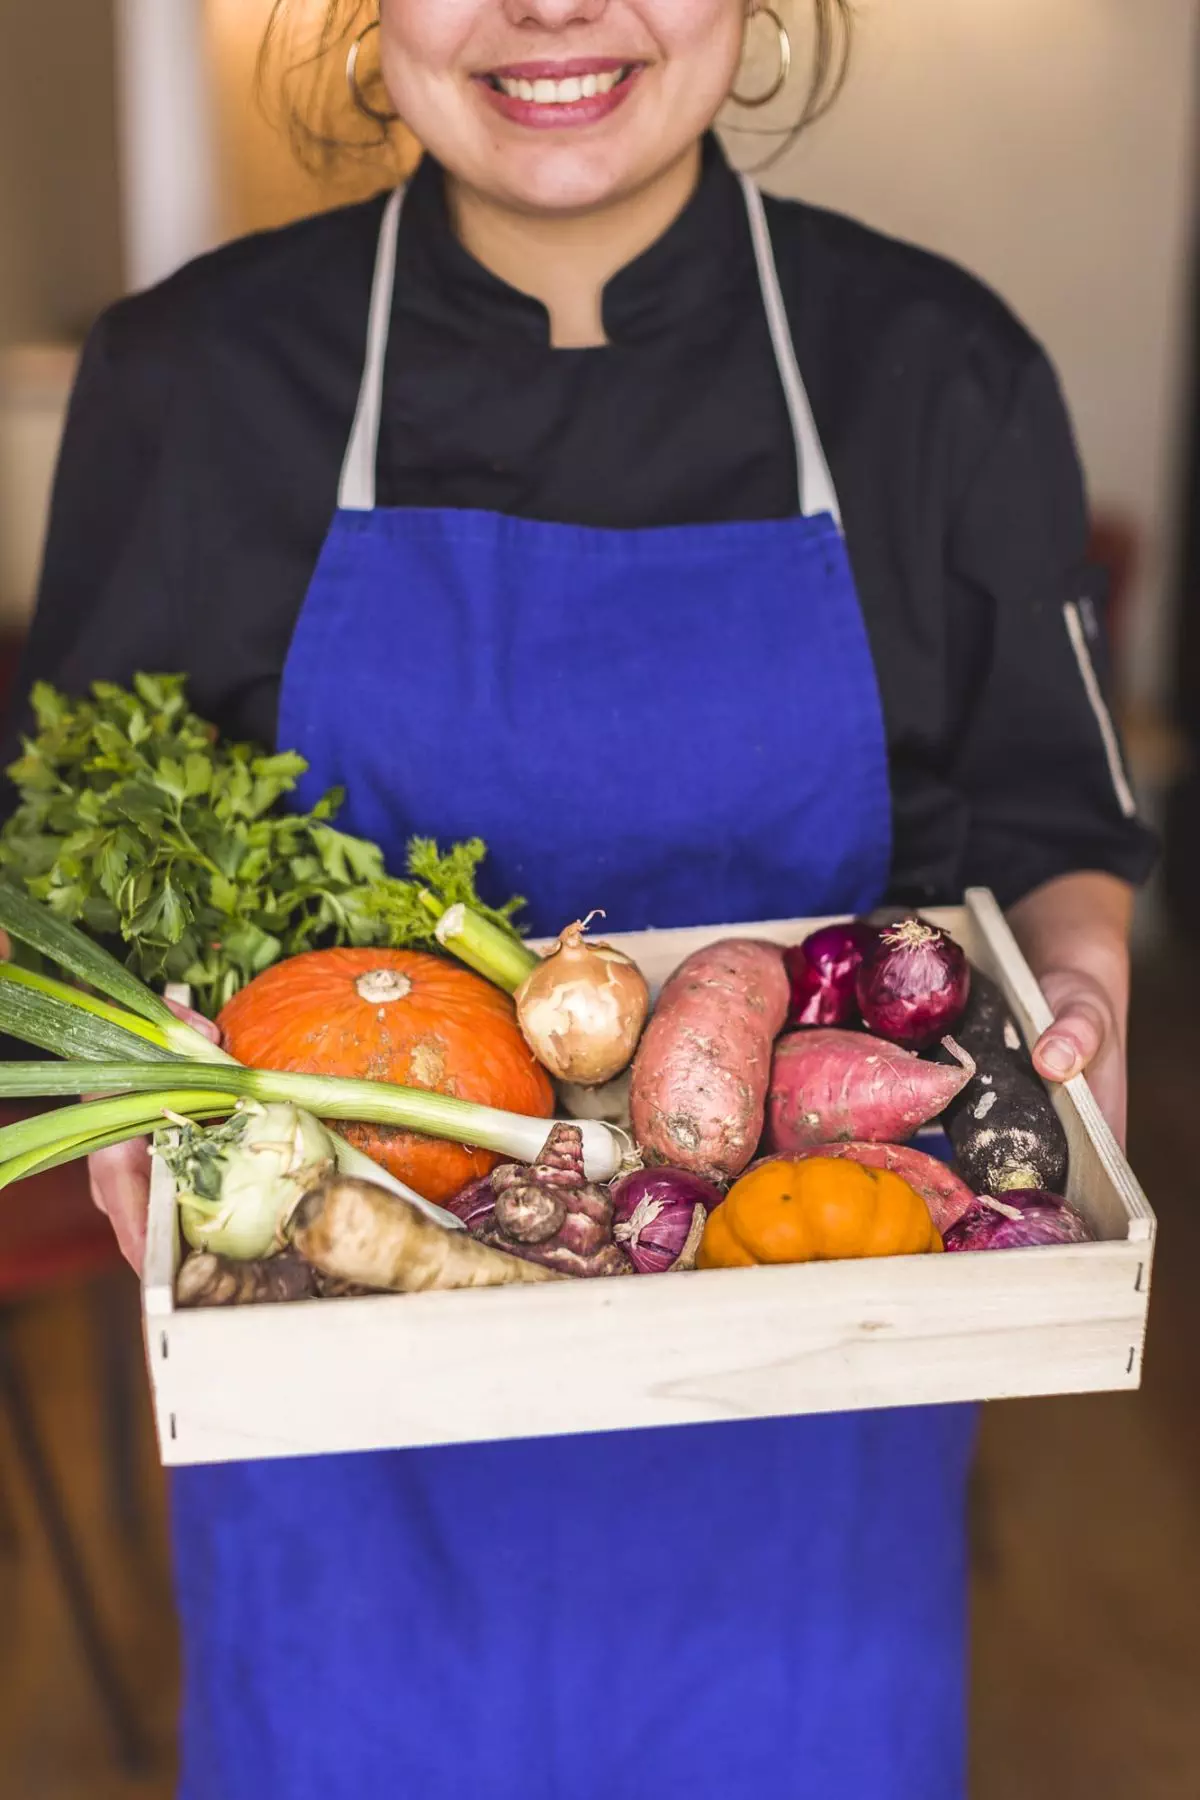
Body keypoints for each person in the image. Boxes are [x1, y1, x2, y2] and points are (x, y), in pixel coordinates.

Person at [5, 3, 1155, 1795]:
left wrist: (1081, 981)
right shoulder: (192, 377)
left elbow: (1050, 808)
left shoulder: (936, 367)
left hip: (812, 1372)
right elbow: (66, 851)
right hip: (340, 1406)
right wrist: (133, 1092)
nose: (554, 8)